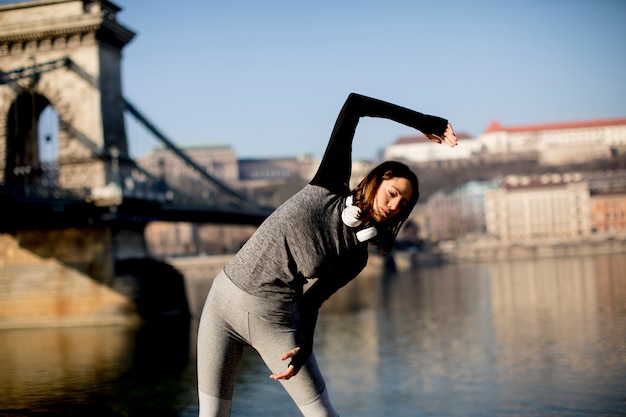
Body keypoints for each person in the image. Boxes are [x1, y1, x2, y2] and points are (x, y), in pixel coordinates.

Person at [197, 92, 458, 417]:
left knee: (323, 414)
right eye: (392, 194)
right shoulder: (329, 184)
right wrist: (427, 123)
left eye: (401, 206)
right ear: (377, 181)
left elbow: (311, 301)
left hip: (274, 322)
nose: (393, 207)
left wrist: (304, 345)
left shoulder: (356, 257)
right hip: (221, 303)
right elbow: (354, 104)